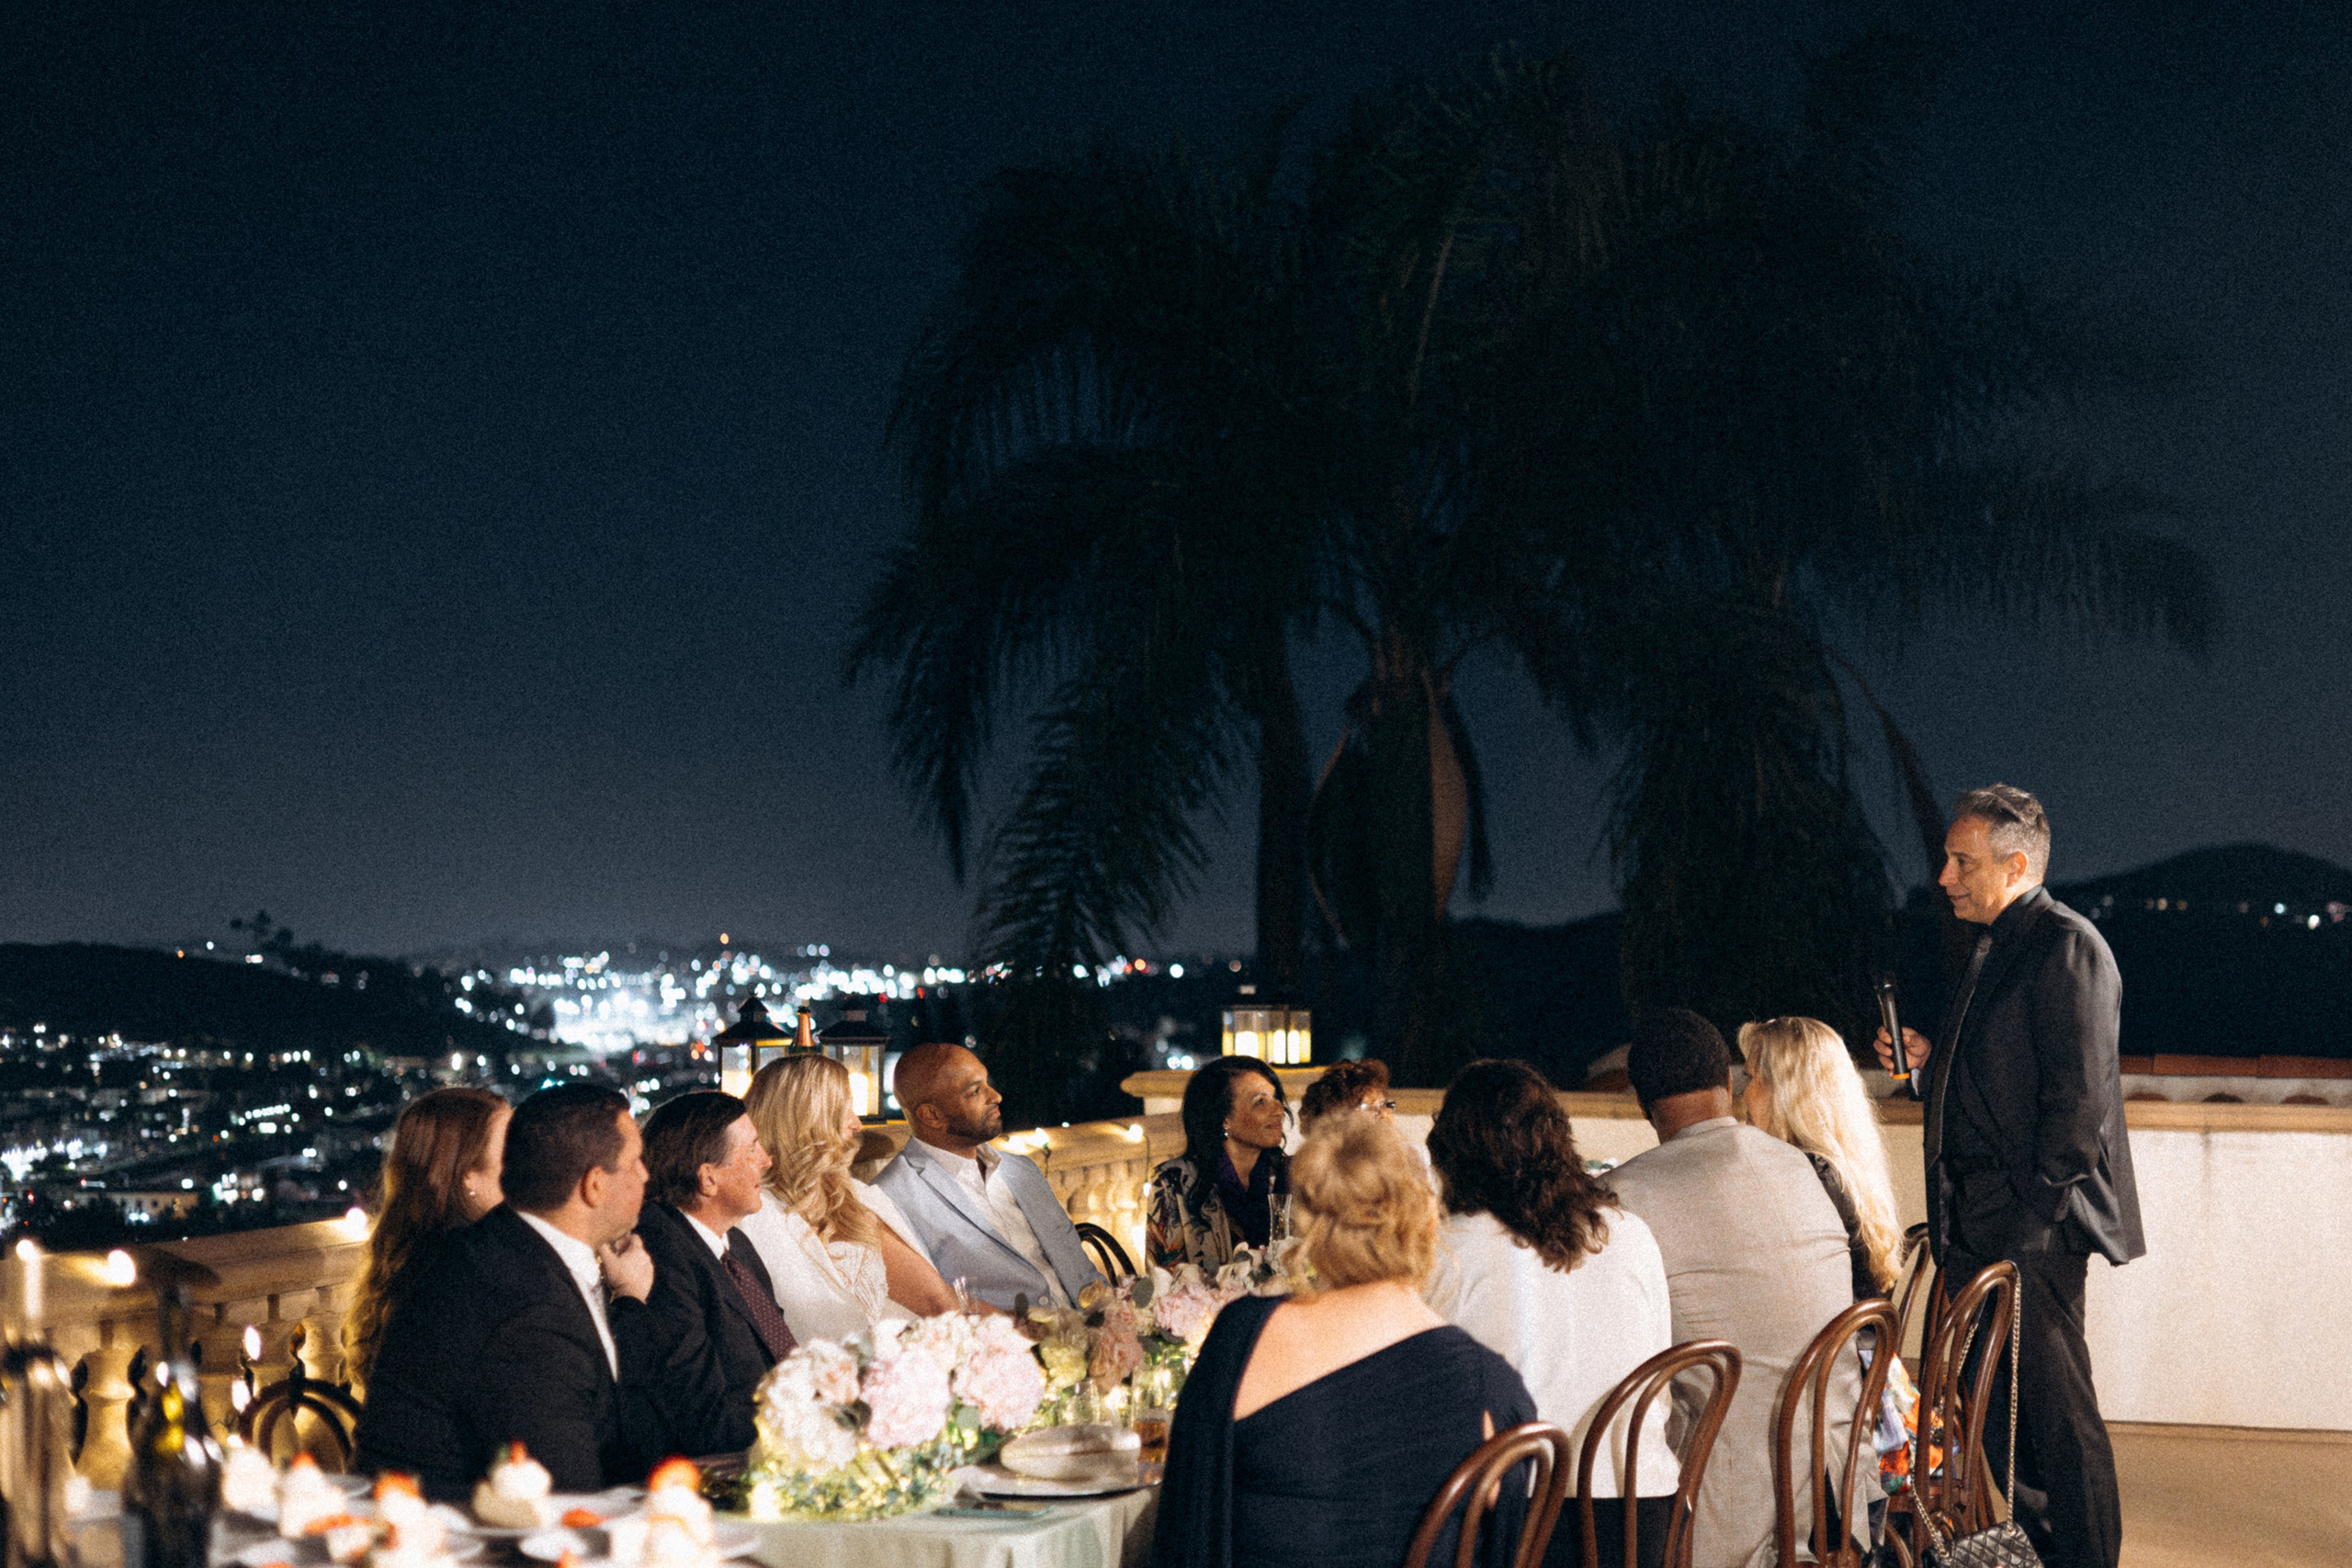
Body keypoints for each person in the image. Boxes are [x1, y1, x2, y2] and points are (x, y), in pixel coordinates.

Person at [1871, 785, 2142, 1568]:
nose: (1945, 875)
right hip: (1983, 1227)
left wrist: (2027, 1220)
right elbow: (2006, 1086)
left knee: (2058, 1423)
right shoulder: (1999, 945)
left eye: (1962, 860)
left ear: (2015, 862)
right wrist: (1929, 1068)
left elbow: (2078, 1104)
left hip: (2027, 1234)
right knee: (2002, 1419)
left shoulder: (2067, 945)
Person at [1156, 1113, 1538, 1568]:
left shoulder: (1241, 1336)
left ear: (1308, 1227)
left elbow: (1185, 1522)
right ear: (1428, 1223)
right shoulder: (1489, 1388)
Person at [1606, 1009, 1862, 1568]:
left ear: (1643, 1107)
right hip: (1837, 1490)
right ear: (1729, 1083)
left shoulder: (1622, 1198)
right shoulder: (1804, 1168)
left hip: (1717, 1513)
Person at [1422, 1060, 1679, 1568]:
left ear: (1454, 1154)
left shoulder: (1451, 1250)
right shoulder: (1631, 1233)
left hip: (1517, 1524)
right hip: (1639, 1519)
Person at [355, 1083, 660, 1499]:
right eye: (634, 1162)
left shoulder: (511, 1249)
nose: (646, 1174)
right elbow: (564, 1501)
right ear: (594, 1186)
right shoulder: (527, 1308)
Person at [737, 1053, 962, 1341]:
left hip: (895, 1364)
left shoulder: (856, 1202)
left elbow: (938, 1301)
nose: (857, 1125)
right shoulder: (750, 1217)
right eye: (845, 1110)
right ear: (808, 1119)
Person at [869, 1042, 1104, 1310]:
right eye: (975, 1091)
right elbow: (932, 1305)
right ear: (932, 1115)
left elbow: (1081, 1272)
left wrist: (1114, 1323)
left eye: (987, 1082)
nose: (996, 1096)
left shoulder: (1022, 1170)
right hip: (1008, 1346)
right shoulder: (891, 1197)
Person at [631, 1091, 795, 1455]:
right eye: (752, 1150)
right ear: (708, 1179)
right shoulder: (660, 1254)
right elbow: (701, 1414)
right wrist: (808, 1427)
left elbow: (783, 1356)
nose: (766, 1161)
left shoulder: (736, 1244)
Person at [343, 1086, 510, 1393]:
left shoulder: (413, 1259)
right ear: (468, 1175)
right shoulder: (464, 1272)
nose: (524, 1164)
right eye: (510, 1153)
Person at [1738, 1017, 1903, 1300]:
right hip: (1866, 1338)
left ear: (1784, 1091)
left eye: (1750, 1078)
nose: (1744, 1093)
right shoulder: (1841, 1168)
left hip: (1834, 1343)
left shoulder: (1811, 1176)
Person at [1146, 1055, 1291, 1272]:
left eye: (1276, 1097)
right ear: (1224, 1119)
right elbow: (1165, 1283)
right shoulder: (1173, 1183)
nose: (1279, 1109)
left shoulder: (1286, 1174)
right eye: (1260, 1101)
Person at [1297, 1058, 1395, 1131]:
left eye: (1383, 1105)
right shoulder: (1315, 1157)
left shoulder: (1401, 1155)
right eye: (1367, 1107)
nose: (1384, 1114)